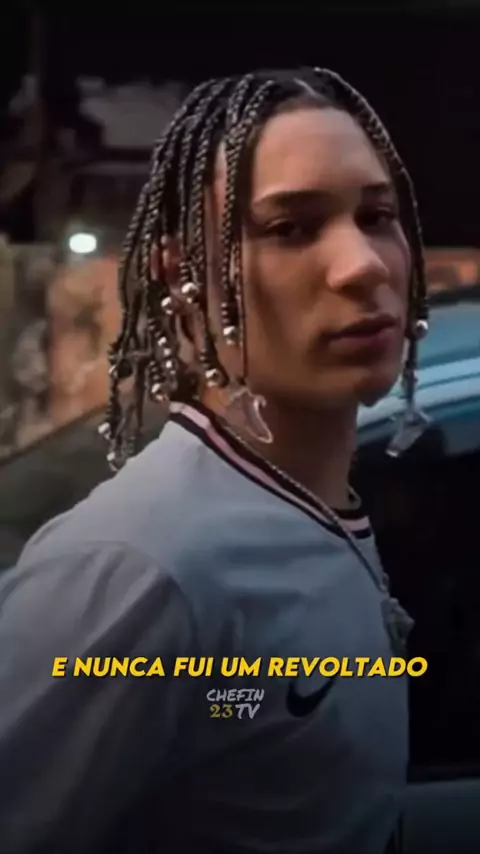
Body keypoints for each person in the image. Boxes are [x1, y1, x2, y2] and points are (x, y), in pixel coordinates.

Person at [0, 67, 429, 854]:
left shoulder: (304, 511)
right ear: (183, 275)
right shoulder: (141, 566)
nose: (363, 265)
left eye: (376, 216)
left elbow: (233, 713)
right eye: (290, 228)